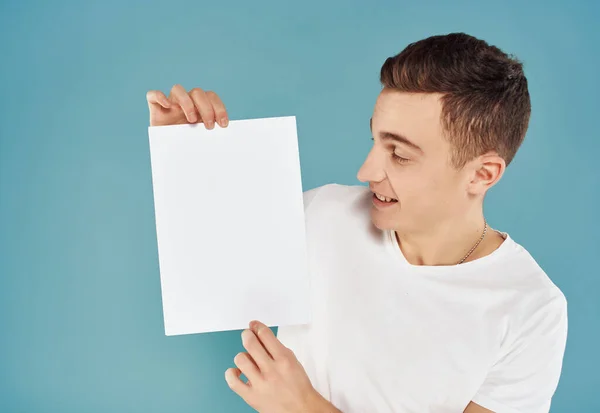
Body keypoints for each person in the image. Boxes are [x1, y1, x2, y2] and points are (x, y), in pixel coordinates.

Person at [146, 32, 568, 413]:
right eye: (375, 140)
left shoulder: (530, 308)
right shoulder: (324, 213)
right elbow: (199, 274)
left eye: (400, 155)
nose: (366, 171)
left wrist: (303, 408)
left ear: (482, 174)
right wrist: (181, 154)